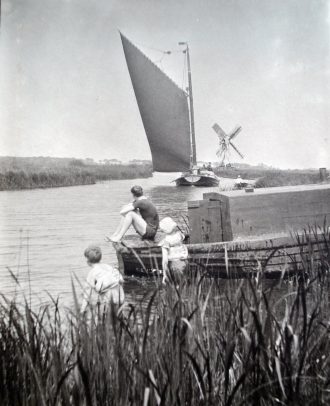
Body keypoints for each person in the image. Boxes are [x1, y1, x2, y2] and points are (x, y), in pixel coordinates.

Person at [80, 245, 124, 314]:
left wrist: (82, 310)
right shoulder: (108, 267)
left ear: (87, 260)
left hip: (110, 300)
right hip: (120, 296)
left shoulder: (93, 272)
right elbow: (121, 280)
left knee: (107, 322)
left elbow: (87, 293)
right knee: (118, 319)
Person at [158, 217, 188, 285]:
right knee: (184, 284)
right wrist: (185, 254)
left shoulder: (165, 241)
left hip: (175, 265)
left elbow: (165, 260)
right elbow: (184, 245)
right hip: (184, 262)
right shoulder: (179, 235)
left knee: (176, 286)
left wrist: (164, 274)